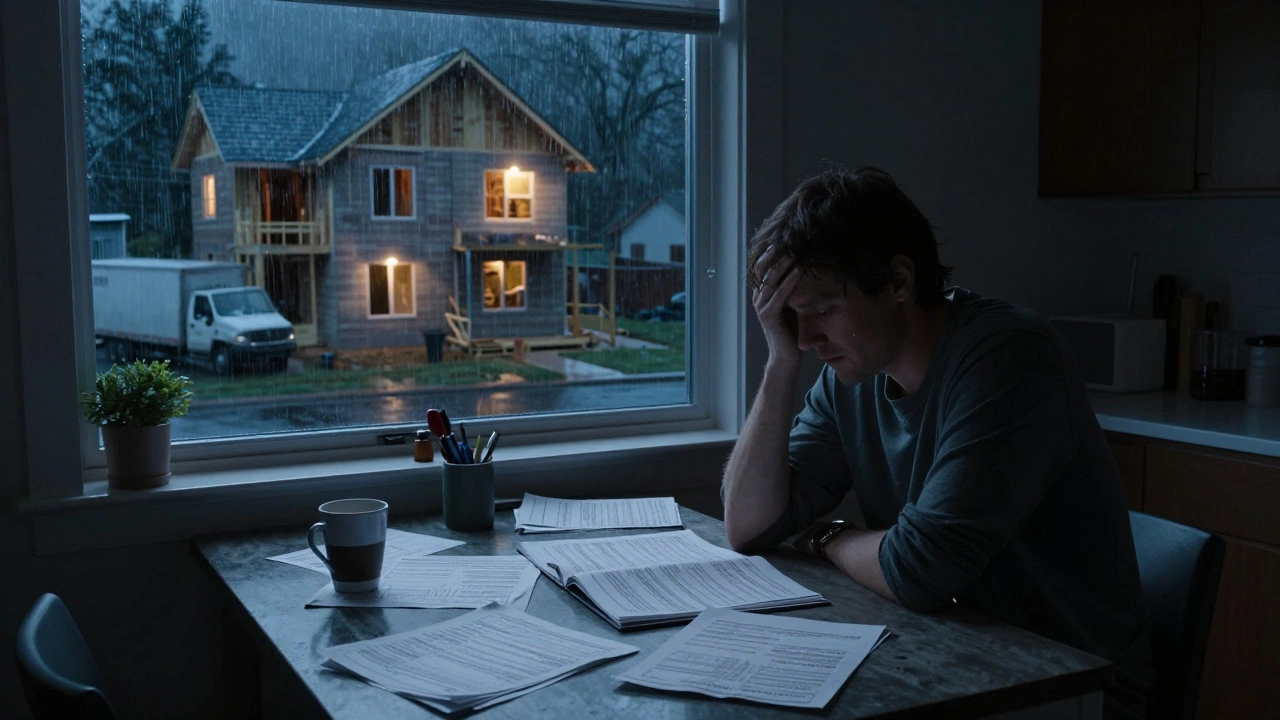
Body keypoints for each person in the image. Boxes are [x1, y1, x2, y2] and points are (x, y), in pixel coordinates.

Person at [721, 167, 1151, 718]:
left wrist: (828, 536)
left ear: (898, 281)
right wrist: (780, 362)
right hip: (960, 655)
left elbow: (920, 571)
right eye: (790, 318)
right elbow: (748, 524)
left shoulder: (1008, 358)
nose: (806, 339)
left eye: (822, 310)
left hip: (1072, 683)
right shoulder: (850, 375)